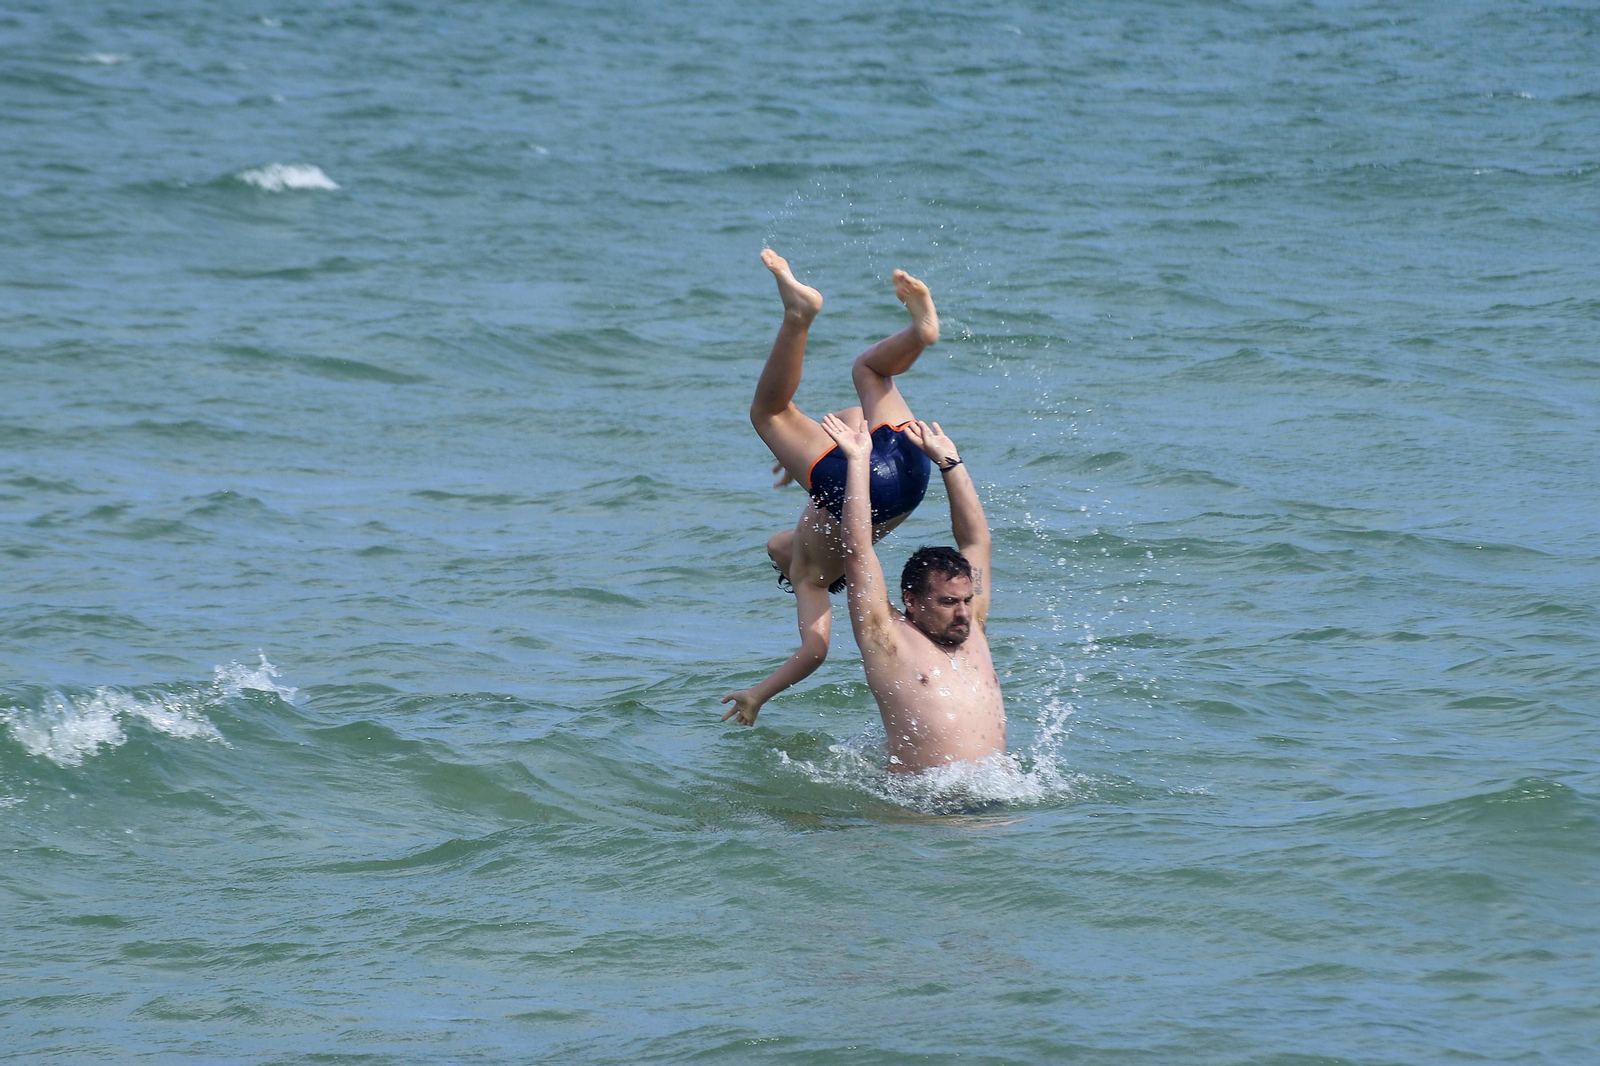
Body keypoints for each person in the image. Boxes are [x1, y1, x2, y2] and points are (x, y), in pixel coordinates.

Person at [720, 249, 941, 727]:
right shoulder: (810, 577)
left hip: (909, 481)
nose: (774, 549)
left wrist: (794, 456)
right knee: (771, 414)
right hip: (893, 474)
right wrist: (760, 694)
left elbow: (855, 421)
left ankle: (916, 333)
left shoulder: (818, 552)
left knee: (867, 371)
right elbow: (815, 651)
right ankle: (802, 317)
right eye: (775, 559)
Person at [817, 412, 1006, 772]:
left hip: (997, 803)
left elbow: (976, 540)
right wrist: (858, 461)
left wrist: (950, 463)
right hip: (921, 807)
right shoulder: (886, 637)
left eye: (966, 600)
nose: (963, 612)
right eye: (948, 602)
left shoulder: (972, 626)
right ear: (911, 601)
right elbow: (858, 550)